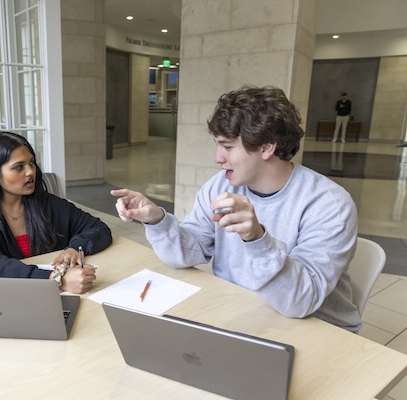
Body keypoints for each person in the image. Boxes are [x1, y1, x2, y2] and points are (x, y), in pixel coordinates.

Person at [111, 85, 361, 332]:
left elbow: (299, 302)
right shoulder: (220, 185)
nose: (217, 157)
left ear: (266, 147)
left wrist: (257, 239)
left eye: (228, 147)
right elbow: (189, 252)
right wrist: (157, 220)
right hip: (243, 314)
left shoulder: (329, 204)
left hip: (317, 329)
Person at [0, 131, 112, 294]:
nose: (30, 172)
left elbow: (98, 228)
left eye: (32, 163)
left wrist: (74, 248)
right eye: (18, 167)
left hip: (36, 296)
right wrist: (56, 280)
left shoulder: (44, 202)